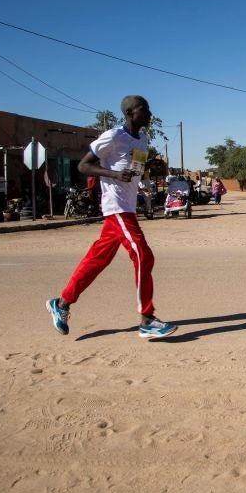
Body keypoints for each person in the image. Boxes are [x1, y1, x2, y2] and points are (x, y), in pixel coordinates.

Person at [45, 95, 176, 340]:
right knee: (142, 254)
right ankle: (147, 319)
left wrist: (139, 187)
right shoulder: (113, 136)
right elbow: (83, 166)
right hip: (115, 207)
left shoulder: (143, 139)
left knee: (97, 260)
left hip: (127, 206)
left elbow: (135, 169)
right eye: (143, 109)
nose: (149, 113)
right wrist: (114, 175)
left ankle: (61, 303)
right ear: (129, 113)